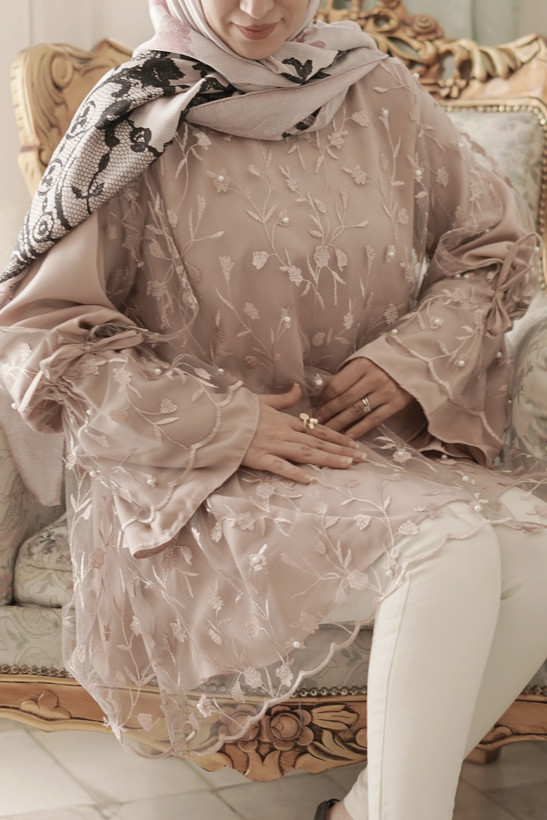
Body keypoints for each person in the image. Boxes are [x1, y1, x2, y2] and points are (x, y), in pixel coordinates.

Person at [1, 1, 547, 817]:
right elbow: (44, 332)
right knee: (448, 550)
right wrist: (225, 424)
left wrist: (409, 360)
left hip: (360, 449)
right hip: (192, 474)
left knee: (536, 551)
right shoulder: (134, 114)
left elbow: (491, 246)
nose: (258, 9)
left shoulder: (373, 88)